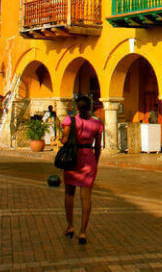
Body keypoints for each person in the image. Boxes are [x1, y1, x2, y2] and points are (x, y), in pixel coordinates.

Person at [60, 95, 103, 245]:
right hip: (89, 159)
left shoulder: (70, 121)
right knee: (86, 196)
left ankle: (70, 225)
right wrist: (95, 163)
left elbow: (64, 140)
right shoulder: (97, 123)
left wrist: (64, 138)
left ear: (77, 107)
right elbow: (98, 147)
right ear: (90, 107)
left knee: (69, 193)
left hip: (73, 159)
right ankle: (83, 231)